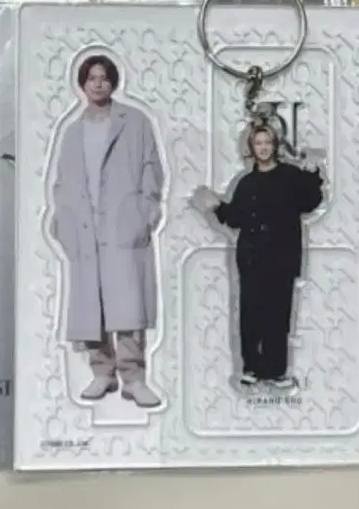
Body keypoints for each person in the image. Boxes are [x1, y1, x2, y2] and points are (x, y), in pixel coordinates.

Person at [49, 54, 164, 409]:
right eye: (91, 78)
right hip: (86, 227)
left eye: (103, 77)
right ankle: (102, 372)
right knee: (93, 302)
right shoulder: (73, 132)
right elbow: (63, 181)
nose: (98, 84)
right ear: (82, 84)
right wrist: (63, 222)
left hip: (122, 222)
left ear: (114, 81)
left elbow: (151, 168)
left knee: (127, 305)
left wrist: (146, 211)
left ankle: (134, 378)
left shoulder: (135, 122)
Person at [189, 123, 323, 390]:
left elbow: (310, 202)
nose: (263, 148)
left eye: (267, 142)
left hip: (282, 258)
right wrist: (215, 205)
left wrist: (312, 174)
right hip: (251, 259)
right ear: (251, 147)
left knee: (278, 316)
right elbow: (235, 219)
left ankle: (276, 372)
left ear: (275, 145)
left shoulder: (291, 175)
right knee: (251, 315)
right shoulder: (246, 183)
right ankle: (251, 368)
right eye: (258, 143)